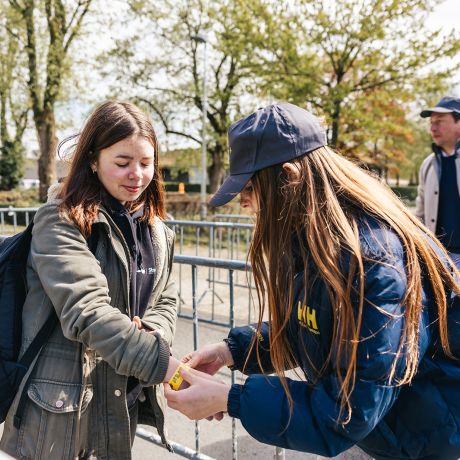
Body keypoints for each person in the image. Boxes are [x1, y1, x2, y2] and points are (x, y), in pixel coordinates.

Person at [164, 102, 460, 460]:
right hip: (410, 435)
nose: (243, 202)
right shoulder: (314, 244)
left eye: (250, 188)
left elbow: (345, 413)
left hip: (437, 438)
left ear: (289, 178)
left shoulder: (370, 263)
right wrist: (233, 351)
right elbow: (314, 330)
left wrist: (231, 399)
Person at [0, 101, 184, 459]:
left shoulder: (159, 232)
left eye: (146, 163)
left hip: (120, 407)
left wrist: (152, 333)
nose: (137, 174)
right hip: (56, 415)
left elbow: (167, 299)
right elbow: (87, 311)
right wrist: (167, 367)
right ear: (93, 160)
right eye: (122, 163)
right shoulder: (59, 221)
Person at [416, 96, 460, 268]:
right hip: (438, 258)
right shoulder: (428, 165)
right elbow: (419, 215)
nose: (433, 127)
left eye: (440, 121)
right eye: (431, 122)